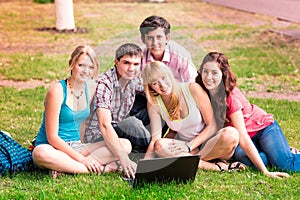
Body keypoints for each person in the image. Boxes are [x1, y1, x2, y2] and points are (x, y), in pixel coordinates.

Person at [32, 45, 132, 178]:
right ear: (72, 64)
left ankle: (66, 167)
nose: (86, 71)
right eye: (81, 65)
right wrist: (82, 159)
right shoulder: (57, 91)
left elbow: (84, 124)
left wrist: (83, 151)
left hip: (76, 145)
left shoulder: (90, 88)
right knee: (40, 153)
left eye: (91, 67)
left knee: (125, 145)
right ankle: (105, 169)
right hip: (52, 147)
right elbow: (53, 137)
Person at [196, 51, 298, 177]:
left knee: (284, 164)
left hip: (262, 129)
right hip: (242, 138)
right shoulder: (201, 90)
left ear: (223, 74)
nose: (208, 77)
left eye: (214, 72)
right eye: (205, 71)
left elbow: (243, 137)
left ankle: (285, 153)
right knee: (257, 160)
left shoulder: (230, 97)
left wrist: (265, 172)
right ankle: (277, 150)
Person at [142, 61, 245, 171]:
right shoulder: (154, 103)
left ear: (169, 74)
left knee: (231, 134)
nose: (162, 85)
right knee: (160, 145)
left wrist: (189, 146)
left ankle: (189, 160)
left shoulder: (192, 89)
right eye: (155, 83)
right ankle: (215, 166)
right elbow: (155, 139)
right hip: (185, 147)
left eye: (163, 77)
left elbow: (212, 125)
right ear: (150, 87)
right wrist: (143, 165)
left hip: (210, 144)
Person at [84, 43, 151, 178]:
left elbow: (152, 92)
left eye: (136, 64)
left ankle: (157, 146)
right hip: (98, 136)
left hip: (118, 127)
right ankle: (154, 152)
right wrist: (124, 159)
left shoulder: (133, 80)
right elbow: (104, 125)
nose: (131, 68)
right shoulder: (104, 84)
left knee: (158, 106)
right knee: (132, 123)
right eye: (126, 63)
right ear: (116, 62)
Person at [139, 15, 197, 83]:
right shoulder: (139, 55)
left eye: (159, 37)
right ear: (143, 40)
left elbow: (192, 83)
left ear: (167, 38)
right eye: (149, 38)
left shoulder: (180, 56)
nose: (155, 43)